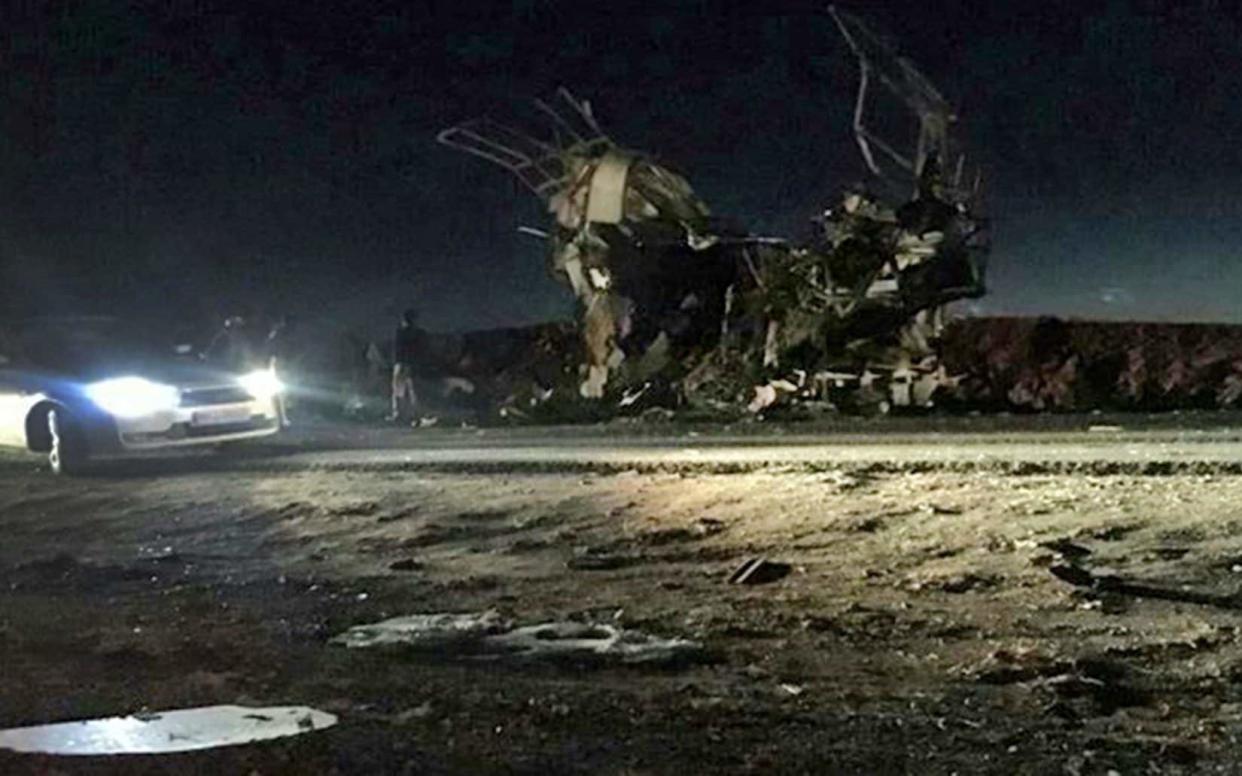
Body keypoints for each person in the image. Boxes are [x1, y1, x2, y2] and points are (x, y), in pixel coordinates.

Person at [389, 308, 423, 422]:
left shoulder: (401, 332)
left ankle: (399, 414)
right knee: (413, 391)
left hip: (401, 364)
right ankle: (415, 415)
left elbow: (397, 350)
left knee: (399, 390)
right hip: (410, 364)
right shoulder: (416, 333)